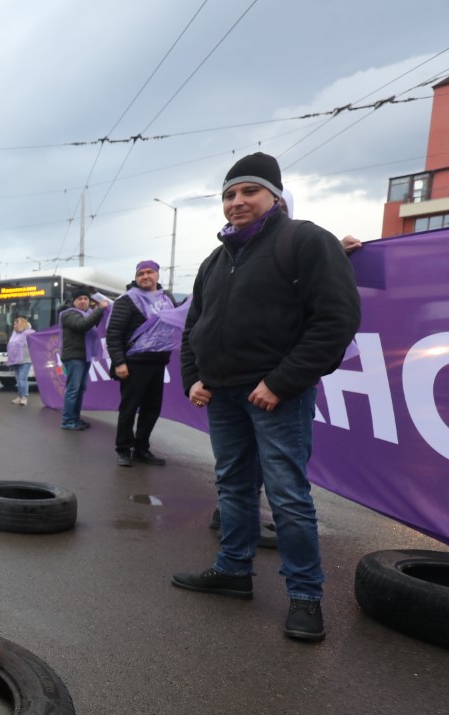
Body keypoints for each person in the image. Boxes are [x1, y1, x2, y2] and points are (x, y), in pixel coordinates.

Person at [172, 152, 361, 643]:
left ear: (274, 196)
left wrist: (280, 382)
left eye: (248, 192)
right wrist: (196, 375)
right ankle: (233, 571)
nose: (237, 202)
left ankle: (305, 595)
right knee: (233, 488)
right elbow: (195, 326)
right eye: (229, 195)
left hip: (277, 396)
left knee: (288, 497)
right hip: (222, 396)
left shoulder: (306, 240)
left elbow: (335, 321)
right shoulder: (215, 260)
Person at [107, 260, 177, 465]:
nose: (145, 276)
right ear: (136, 277)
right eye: (141, 273)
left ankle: (141, 448)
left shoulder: (168, 298)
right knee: (129, 408)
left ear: (157, 275)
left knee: (152, 409)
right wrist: (119, 362)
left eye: (150, 272)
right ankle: (123, 449)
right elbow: (114, 334)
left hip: (158, 362)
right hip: (133, 363)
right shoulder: (126, 300)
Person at [59, 289, 108, 430]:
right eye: (79, 298)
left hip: (83, 355)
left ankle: (75, 419)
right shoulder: (69, 314)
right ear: (74, 302)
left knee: (80, 389)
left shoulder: (87, 314)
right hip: (74, 357)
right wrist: (99, 309)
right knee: (73, 390)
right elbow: (83, 325)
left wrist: (100, 312)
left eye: (85, 298)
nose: (83, 301)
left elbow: (91, 322)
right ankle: (68, 421)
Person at [5, 315, 34, 406]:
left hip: (25, 359)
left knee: (22, 379)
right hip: (15, 360)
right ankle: (20, 396)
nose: (14, 326)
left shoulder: (29, 333)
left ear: (21, 324)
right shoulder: (14, 333)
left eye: (15, 324)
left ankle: (24, 397)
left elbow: (34, 345)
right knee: (18, 380)